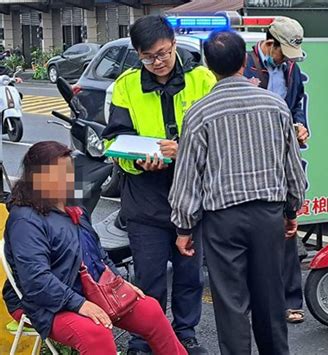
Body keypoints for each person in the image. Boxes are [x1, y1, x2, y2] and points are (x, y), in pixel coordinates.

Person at [169, 30, 306, 355]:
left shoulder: (200, 113)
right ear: (244, 61)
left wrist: (184, 227)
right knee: (271, 300)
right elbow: (292, 168)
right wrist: (291, 211)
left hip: (223, 221)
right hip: (268, 216)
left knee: (231, 305)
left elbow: (189, 175)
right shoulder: (275, 106)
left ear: (208, 65)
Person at [1, 141, 187, 355]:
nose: (66, 179)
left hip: (89, 289)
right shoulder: (25, 220)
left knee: (150, 310)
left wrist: (120, 283)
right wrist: (79, 304)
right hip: (43, 302)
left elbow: (98, 254)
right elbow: (36, 280)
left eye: (68, 172)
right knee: (96, 333)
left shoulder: (73, 206)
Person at [101, 15, 215, 355]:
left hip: (192, 195)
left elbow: (217, 136)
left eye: (163, 53)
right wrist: (137, 159)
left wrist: (184, 150)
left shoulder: (202, 79)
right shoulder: (126, 85)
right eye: (148, 56)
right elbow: (115, 139)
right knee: (148, 275)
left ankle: (185, 333)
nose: (158, 61)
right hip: (145, 197)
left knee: (189, 275)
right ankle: (144, 337)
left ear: (174, 44)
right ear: (138, 54)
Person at [243, 16, 308, 324]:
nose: (286, 59)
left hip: (282, 155)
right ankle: (252, 301)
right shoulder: (245, 65)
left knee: (287, 226)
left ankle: (290, 300)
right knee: (252, 231)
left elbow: (298, 105)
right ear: (269, 44)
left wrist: (300, 126)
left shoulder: (293, 70)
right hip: (249, 158)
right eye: (283, 52)